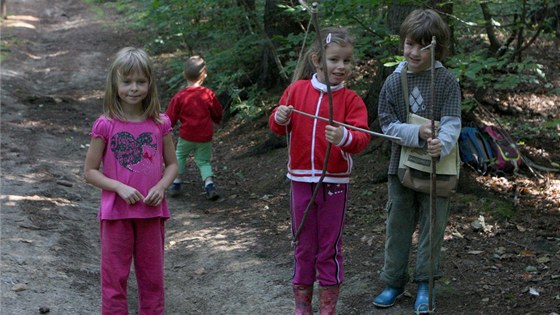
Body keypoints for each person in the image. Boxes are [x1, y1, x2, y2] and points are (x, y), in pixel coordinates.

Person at [269, 27, 371, 315]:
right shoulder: (297, 90)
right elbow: (278, 127)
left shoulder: (351, 100)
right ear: (316, 60)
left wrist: (345, 138)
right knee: (303, 244)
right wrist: (279, 116)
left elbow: (362, 138)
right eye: (334, 60)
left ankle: (328, 308)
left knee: (329, 246)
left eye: (347, 61)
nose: (341, 67)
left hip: (335, 182)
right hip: (300, 181)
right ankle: (302, 308)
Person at [373, 9, 461, 314]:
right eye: (409, 44)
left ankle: (426, 283)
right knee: (397, 223)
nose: (413, 52)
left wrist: (442, 142)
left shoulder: (447, 81)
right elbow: (386, 124)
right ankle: (394, 281)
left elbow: (452, 121)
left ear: (437, 47)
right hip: (401, 168)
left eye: (422, 46)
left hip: (438, 168)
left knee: (432, 225)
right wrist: (417, 132)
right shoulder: (393, 82)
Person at [83, 47, 178, 315]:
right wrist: (119, 187)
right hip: (115, 215)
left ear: (150, 84)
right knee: (114, 280)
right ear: (115, 83)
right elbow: (90, 171)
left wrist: (160, 186)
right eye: (127, 82)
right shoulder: (105, 125)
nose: (133, 88)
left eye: (140, 81)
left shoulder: (160, 123)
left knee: (153, 281)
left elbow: (172, 164)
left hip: (151, 213)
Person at [165, 55, 223, 200]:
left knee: (180, 156)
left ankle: (177, 182)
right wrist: (216, 120)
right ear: (204, 75)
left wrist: (166, 128)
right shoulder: (208, 94)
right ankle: (209, 185)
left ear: (184, 74)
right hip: (205, 136)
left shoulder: (180, 96)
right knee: (203, 161)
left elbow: (170, 116)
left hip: (187, 135)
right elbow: (217, 111)